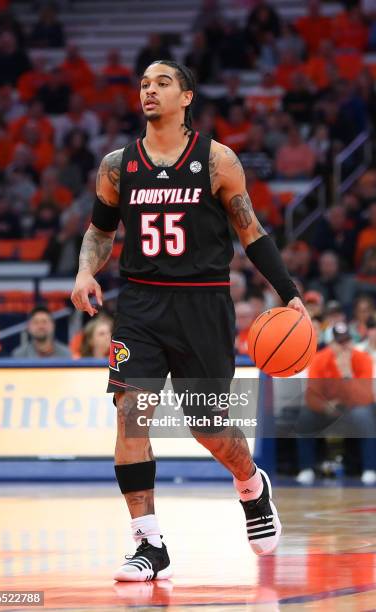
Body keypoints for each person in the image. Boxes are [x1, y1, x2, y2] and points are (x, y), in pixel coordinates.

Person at [71, 60, 307, 582]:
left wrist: (289, 293)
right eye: (143, 84)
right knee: (132, 413)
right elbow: (98, 230)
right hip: (140, 306)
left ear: (187, 97)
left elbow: (252, 232)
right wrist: (86, 270)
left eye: (161, 83)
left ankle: (250, 485)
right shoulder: (117, 165)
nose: (149, 90)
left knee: (208, 428)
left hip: (203, 304)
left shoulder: (218, 160)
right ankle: (149, 543)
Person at [295, 322, 376, 486]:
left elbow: (366, 397)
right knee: (305, 417)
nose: (344, 346)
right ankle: (306, 469)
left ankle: (370, 468)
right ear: (331, 344)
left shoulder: (363, 359)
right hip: (328, 409)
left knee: (364, 415)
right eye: (339, 342)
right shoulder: (319, 359)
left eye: (347, 341)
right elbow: (311, 395)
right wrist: (326, 406)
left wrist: (347, 374)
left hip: (353, 408)